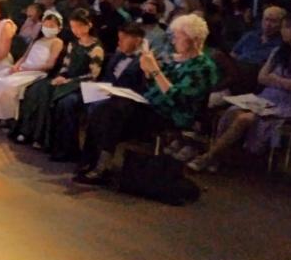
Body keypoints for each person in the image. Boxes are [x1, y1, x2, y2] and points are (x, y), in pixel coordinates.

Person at [75, 14, 218, 185]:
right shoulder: (173, 58)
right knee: (106, 107)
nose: (173, 42)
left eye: (178, 37)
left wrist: (155, 71)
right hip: (149, 105)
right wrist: (148, 72)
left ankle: (100, 166)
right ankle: (92, 163)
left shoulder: (202, 67)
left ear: (193, 40)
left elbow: (177, 97)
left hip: (172, 114)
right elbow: (151, 85)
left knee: (112, 111)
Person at [189, 13, 291, 173]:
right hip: (268, 96)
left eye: (288, 27)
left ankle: (209, 156)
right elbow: (262, 77)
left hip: (288, 103)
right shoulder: (279, 51)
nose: (283, 31)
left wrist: (274, 78)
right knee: (232, 113)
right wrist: (280, 81)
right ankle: (223, 157)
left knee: (243, 118)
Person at [49, 22, 147, 162]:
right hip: (104, 90)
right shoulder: (118, 55)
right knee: (67, 101)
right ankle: (66, 149)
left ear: (137, 40)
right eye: (119, 38)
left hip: (122, 99)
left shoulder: (142, 61)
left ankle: (92, 159)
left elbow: (138, 87)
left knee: (98, 110)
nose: (119, 42)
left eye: (124, 39)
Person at [11, 8, 104, 151]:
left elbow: (93, 75)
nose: (75, 30)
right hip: (66, 80)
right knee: (38, 88)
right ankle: (30, 132)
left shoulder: (96, 48)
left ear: (88, 25)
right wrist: (61, 76)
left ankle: (46, 140)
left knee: (55, 98)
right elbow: (66, 65)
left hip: (80, 84)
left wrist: (68, 81)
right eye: (73, 27)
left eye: (78, 26)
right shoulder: (73, 44)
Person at [0, 10, 64, 122]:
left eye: (51, 26)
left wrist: (28, 68)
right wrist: (16, 66)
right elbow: (24, 56)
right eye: (46, 24)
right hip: (23, 68)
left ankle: (9, 117)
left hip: (36, 72)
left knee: (8, 85)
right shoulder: (37, 39)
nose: (48, 27)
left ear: (59, 28)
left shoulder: (57, 42)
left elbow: (49, 64)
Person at [231, 6, 286, 92]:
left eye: (273, 21)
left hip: (253, 79)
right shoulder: (250, 36)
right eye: (266, 19)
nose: (268, 24)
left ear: (281, 24)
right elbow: (233, 54)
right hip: (235, 72)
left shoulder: (281, 45)